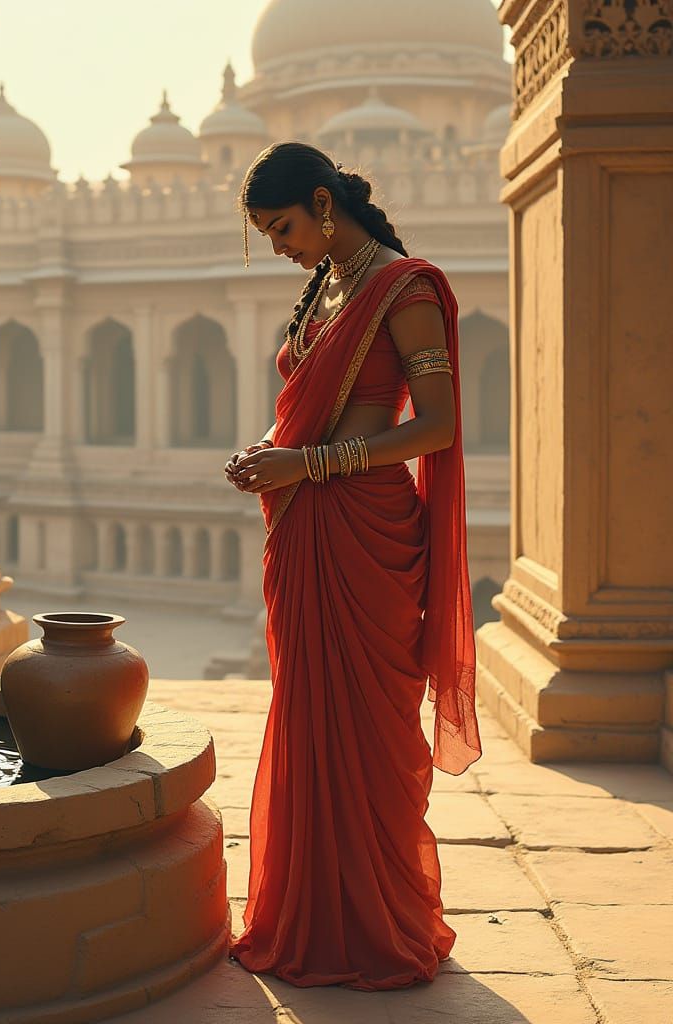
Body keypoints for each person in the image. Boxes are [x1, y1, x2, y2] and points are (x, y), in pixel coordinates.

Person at [224, 141, 481, 990]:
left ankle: (377, 925)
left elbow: (436, 426)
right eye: (267, 233)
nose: (281, 245)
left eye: (285, 226)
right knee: (307, 711)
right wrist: (270, 451)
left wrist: (312, 464)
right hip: (306, 531)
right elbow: (306, 415)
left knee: (365, 732)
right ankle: (309, 913)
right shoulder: (323, 292)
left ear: (325, 202)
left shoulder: (402, 287)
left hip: (366, 533)